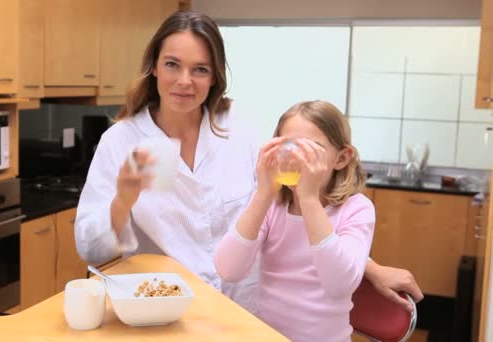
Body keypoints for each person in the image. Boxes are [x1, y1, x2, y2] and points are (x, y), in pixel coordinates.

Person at [74, 10, 423, 315]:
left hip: (241, 310)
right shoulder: (121, 142)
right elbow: (91, 251)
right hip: (165, 313)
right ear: (153, 67)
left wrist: (366, 265)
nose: (184, 81)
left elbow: (292, 211)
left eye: (200, 69)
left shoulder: (239, 128)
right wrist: (123, 200)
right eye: (172, 65)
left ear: (214, 78)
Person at [214, 100, 373, 341]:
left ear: (341, 158)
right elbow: (228, 270)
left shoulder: (356, 209)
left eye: (311, 150)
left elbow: (340, 284)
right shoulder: (272, 206)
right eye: (288, 147)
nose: (296, 159)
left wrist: (309, 199)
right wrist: (263, 194)